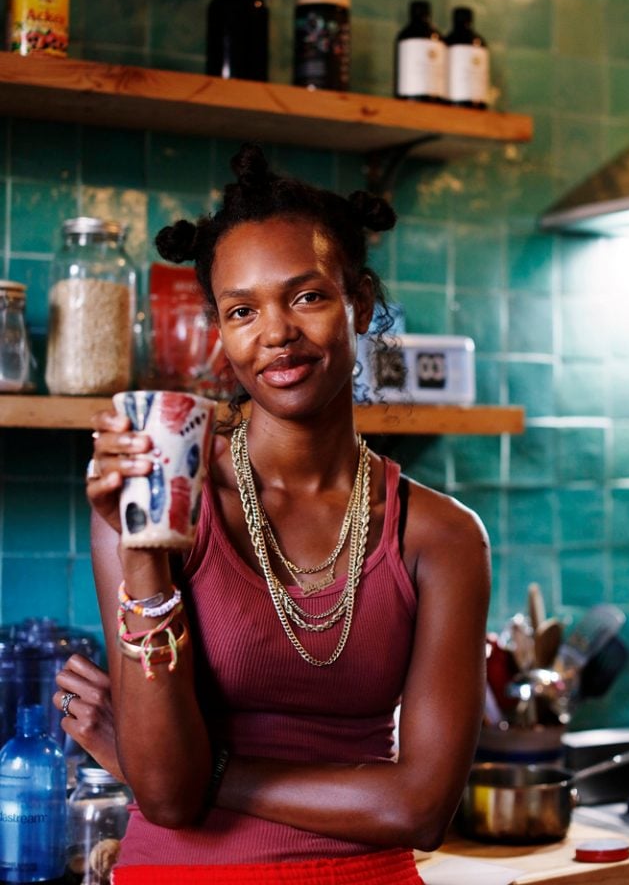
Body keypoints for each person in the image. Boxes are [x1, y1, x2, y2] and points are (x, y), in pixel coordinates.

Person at [55, 142, 491, 884]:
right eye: (242, 311)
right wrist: (141, 550)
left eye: (307, 296)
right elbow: (162, 796)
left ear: (357, 303)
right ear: (221, 334)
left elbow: (421, 810)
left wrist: (209, 768)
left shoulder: (441, 537)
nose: (276, 333)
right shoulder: (156, 504)